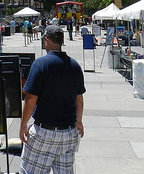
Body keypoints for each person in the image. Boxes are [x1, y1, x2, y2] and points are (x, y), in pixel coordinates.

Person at [19, 25, 85, 174]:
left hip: (44, 132)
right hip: (69, 132)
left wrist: (23, 124)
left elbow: (31, 98)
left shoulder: (40, 64)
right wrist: (79, 121)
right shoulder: (74, 65)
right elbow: (79, 98)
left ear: (47, 40)